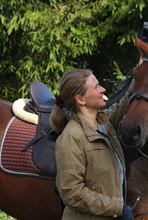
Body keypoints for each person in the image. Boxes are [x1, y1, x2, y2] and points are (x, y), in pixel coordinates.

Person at [51, 69, 134, 220]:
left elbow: (125, 103)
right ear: (81, 100)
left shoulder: (104, 124)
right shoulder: (71, 136)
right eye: (96, 87)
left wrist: (141, 70)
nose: (103, 89)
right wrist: (118, 208)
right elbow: (71, 192)